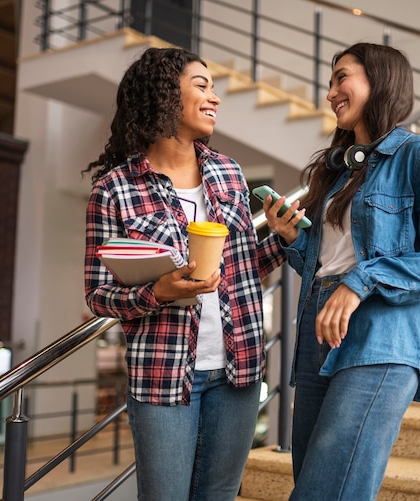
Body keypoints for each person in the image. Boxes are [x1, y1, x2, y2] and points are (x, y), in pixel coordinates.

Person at [260, 42, 420, 500]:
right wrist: (294, 239)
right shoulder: (336, 174)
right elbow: (325, 266)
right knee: (319, 481)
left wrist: (361, 282)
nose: (331, 91)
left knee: (326, 489)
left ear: (380, 80)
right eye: (331, 80)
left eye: (342, 77)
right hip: (320, 330)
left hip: (382, 335)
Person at [82, 47, 285, 501]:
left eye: (213, 88)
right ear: (165, 96)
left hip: (239, 369)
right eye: (202, 85)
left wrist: (282, 239)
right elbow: (98, 294)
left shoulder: (229, 173)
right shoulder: (114, 189)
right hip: (163, 372)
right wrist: (157, 292)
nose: (214, 97)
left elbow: (244, 269)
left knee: (220, 494)